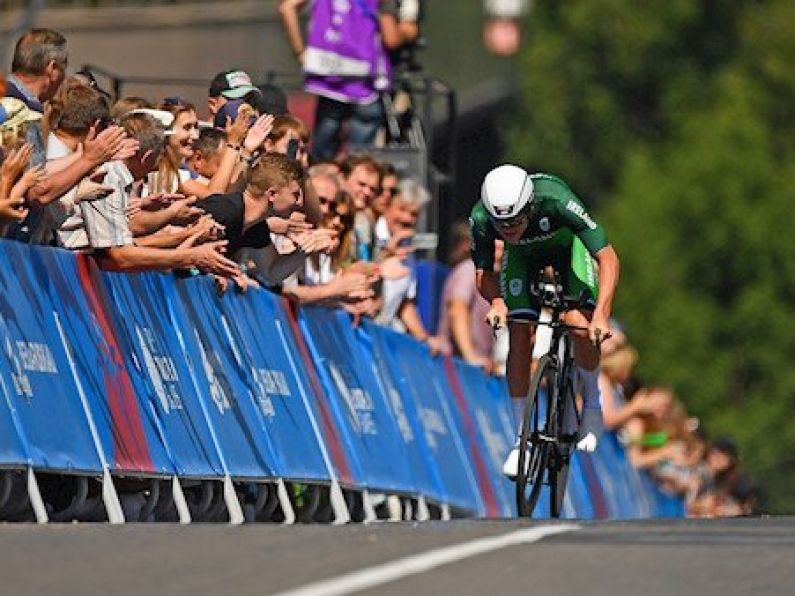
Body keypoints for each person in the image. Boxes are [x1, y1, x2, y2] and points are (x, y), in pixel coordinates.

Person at [469, 164, 621, 476]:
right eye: (502, 225)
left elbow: (607, 256)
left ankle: (592, 403)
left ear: (530, 206)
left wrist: (602, 314)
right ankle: (520, 440)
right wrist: (497, 301)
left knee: (579, 323)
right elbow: (483, 272)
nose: (508, 229)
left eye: (515, 221)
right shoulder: (482, 218)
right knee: (520, 331)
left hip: (568, 249)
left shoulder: (556, 199)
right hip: (522, 259)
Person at [279, 0, 412, 160]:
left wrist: (300, 52)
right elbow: (391, 38)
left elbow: (286, 7)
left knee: (322, 156)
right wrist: (408, 32)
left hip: (329, 79)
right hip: (366, 81)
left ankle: (321, 180)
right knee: (359, 159)